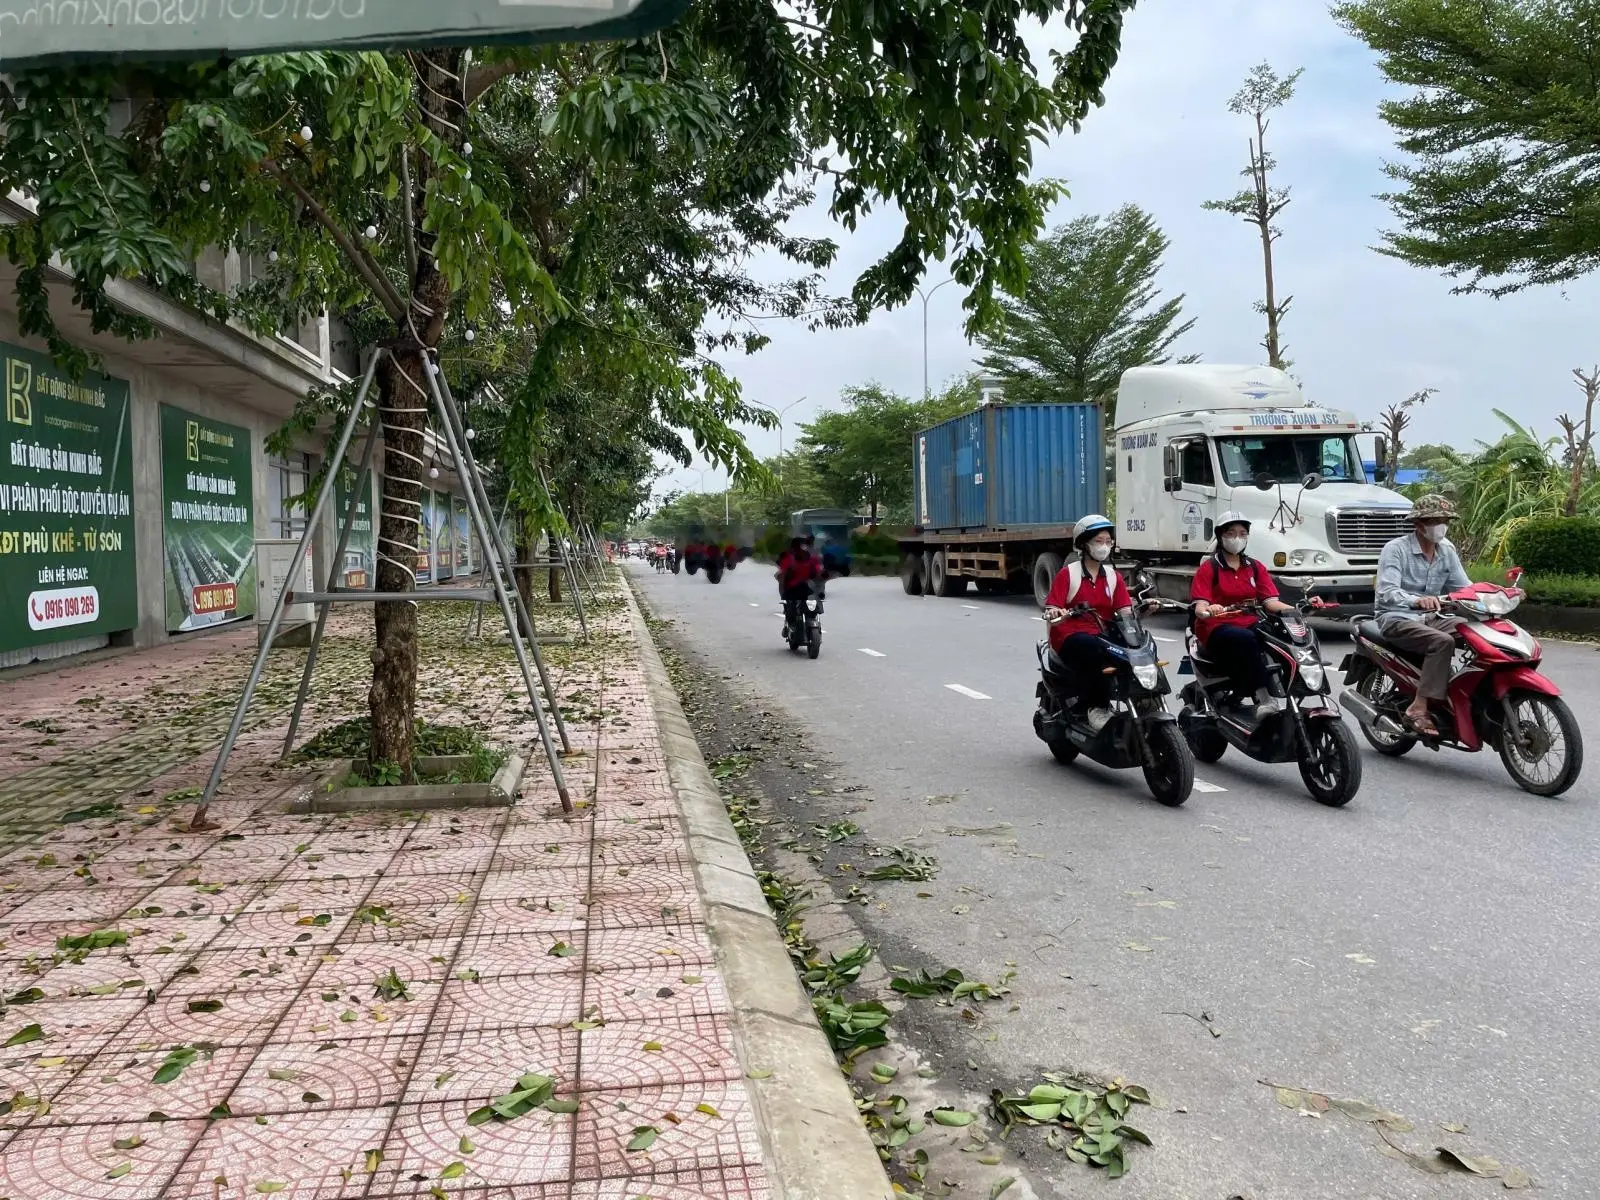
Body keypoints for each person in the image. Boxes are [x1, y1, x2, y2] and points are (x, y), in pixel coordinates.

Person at [1374, 494, 1472, 737]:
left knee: (1475, 633)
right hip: (1397, 617)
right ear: (1418, 524)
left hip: (1434, 617)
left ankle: (1460, 690)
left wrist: (1496, 594)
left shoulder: (1447, 550)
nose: (1441, 526)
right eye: (1434, 520)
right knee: (1442, 642)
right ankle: (1418, 707)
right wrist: (1417, 600)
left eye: (1444, 520)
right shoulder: (1396, 549)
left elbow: (1463, 588)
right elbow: (1387, 591)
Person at [1041, 514, 1148, 732]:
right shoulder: (1068, 574)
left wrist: (1144, 611)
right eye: (1099, 541)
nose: (1105, 546)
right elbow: (1052, 606)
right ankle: (1095, 707)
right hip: (1071, 634)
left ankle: (1142, 697)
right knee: (1096, 649)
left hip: (1102, 632)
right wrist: (1056, 612)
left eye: (1108, 541)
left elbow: (1124, 611)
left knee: (1138, 647)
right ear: (1084, 544)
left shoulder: (1112, 576)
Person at [1190, 513, 1296, 714]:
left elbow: (1270, 602)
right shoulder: (1209, 568)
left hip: (1249, 620)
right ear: (1221, 536)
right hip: (1216, 626)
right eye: (1231, 533)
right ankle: (1265, 699)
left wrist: (1295, 611)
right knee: (1246, 639)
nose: (1237, 538)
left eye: (1242, 533)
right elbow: (1200, 607)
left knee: (1279, 635)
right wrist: (1208, 610)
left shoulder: (1254, 567)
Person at [775, 535, 824, 636]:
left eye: (805, 545)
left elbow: (819, 574)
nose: (804, 548)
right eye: (801, 546)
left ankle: (812, 620)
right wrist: (783, 592)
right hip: (792, 590)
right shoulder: (789, 559)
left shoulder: (812, 559)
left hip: (807, 589)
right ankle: (790, 625)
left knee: (815, 605)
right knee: (791, 610)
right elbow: (781, 576)